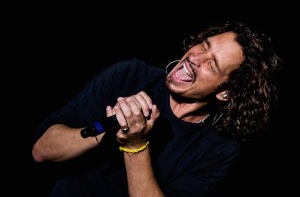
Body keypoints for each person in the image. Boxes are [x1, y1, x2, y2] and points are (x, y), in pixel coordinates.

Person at [31, 21, 283, 197]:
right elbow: (41, 151)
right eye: (205, 45)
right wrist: (105, 130)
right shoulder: (129, 75)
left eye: (212, 64)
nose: (195, 57)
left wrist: (135, 146)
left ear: (225, 92)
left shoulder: (219, 149)